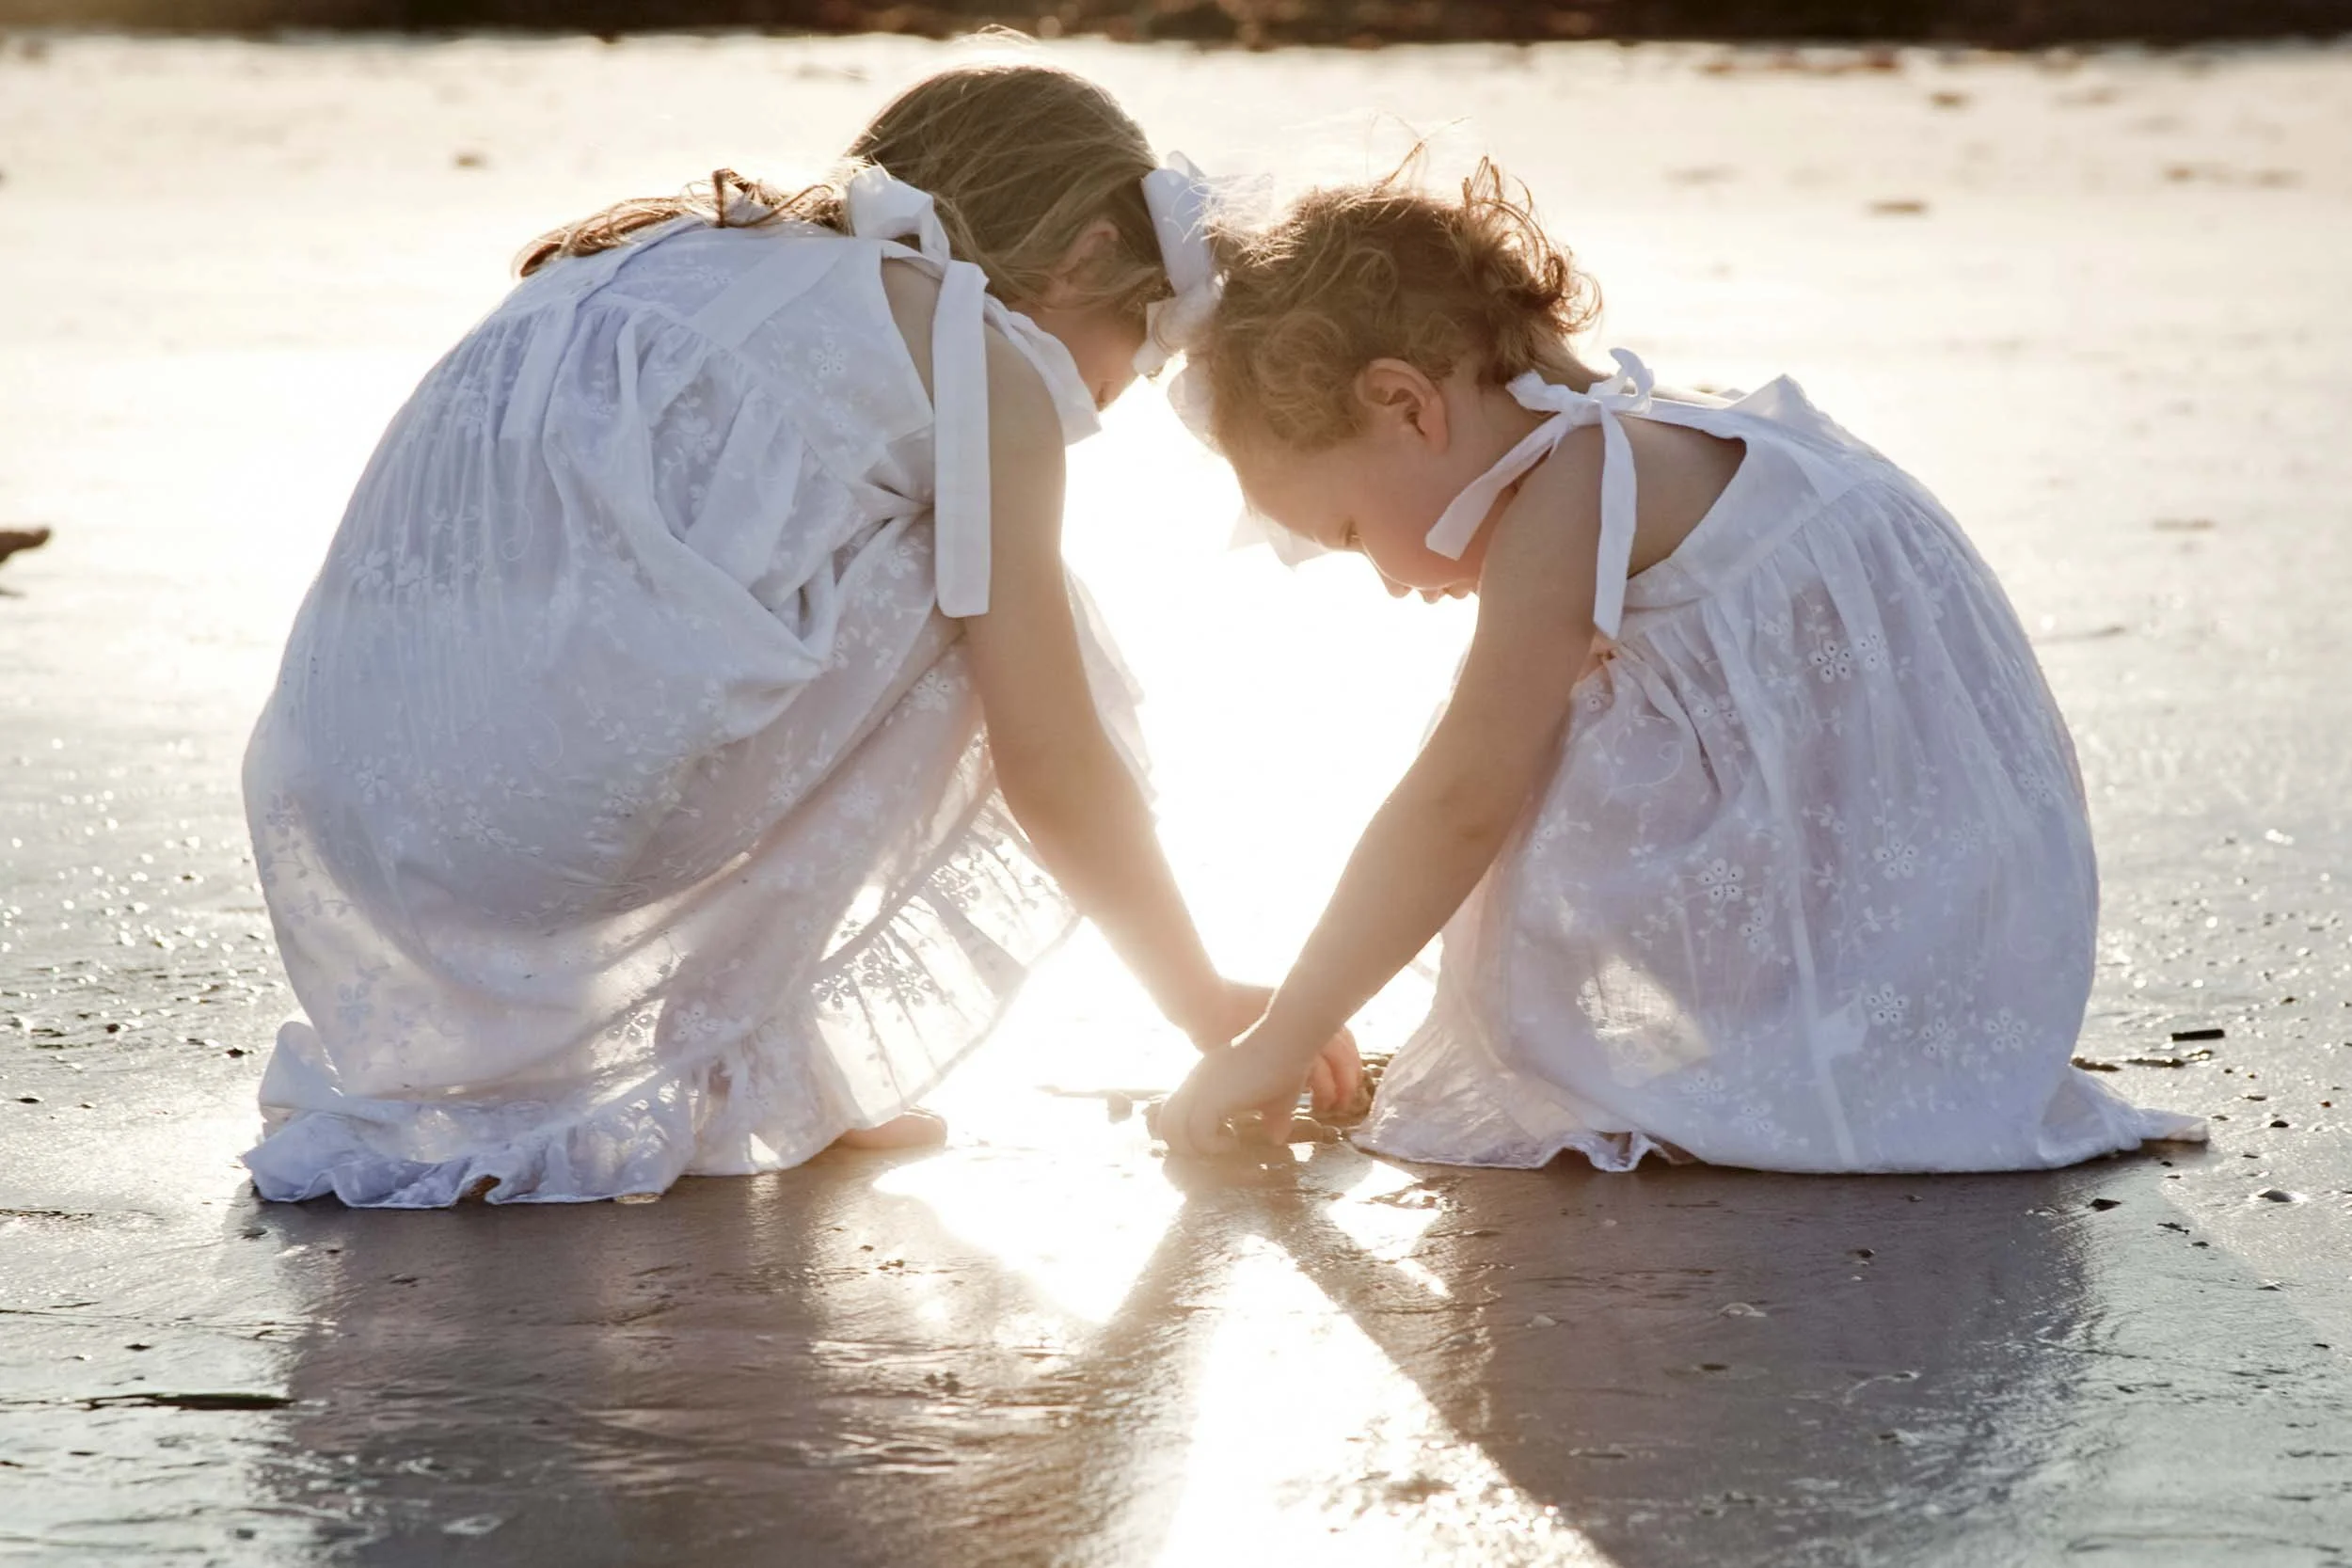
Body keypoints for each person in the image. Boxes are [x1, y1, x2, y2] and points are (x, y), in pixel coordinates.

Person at [242, 62, 1358, 1207]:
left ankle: (724, 1051)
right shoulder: (977, 351)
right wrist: (1202, 1000)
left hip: (338, 805)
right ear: (1082, 254)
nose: (1117, 392)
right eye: (1138, 342)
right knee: (1008, 604)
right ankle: (762, 1061)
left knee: (814, 578)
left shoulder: (672, 251)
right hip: (534, 824)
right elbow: (1053, 755)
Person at [1155, 162, 2203, 1171]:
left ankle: (1681, 1061)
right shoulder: (1657, 433)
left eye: (1345, 529)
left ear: (1406, 405)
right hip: (1968, 922)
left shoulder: (1573, 486)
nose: (1385, 579)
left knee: (1506, 749)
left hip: (1906, 935)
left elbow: (1458, 801)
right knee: (1554, 707)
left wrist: (1284, 1034)